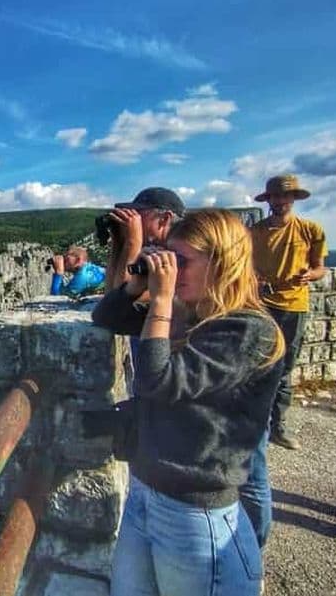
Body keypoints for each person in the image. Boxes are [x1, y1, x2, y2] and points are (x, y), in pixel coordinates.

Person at [92, 209, 285, 596]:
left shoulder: (249, 330)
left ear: (222, 263)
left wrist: (161, 301)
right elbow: (106, 317)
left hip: (196, 514)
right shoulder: (189, 315)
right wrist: (136, 286)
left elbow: (156, 382)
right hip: (145, 495)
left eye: (182, 261)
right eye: (169, 258)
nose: (172, 270)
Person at [250, 175, 328, 450]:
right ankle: (254, 424)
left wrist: (311, 275)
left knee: (284, 368)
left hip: (294, 306)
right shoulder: (255, 232)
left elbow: (319, 267)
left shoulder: (310, 230)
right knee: (256, 364)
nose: (281, 202)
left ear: (294, 199)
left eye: (286, 197)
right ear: (269, 199)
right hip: (261, 304)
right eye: (276, 197)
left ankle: (278, 427)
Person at [104, 187, 186, 289]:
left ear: (164, 219)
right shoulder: (151, 250)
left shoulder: (181, 255)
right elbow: (109, 294)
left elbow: (121, 298)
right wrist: (118, 242)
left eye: (138, 213)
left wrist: (133, 242)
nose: (132, 219)